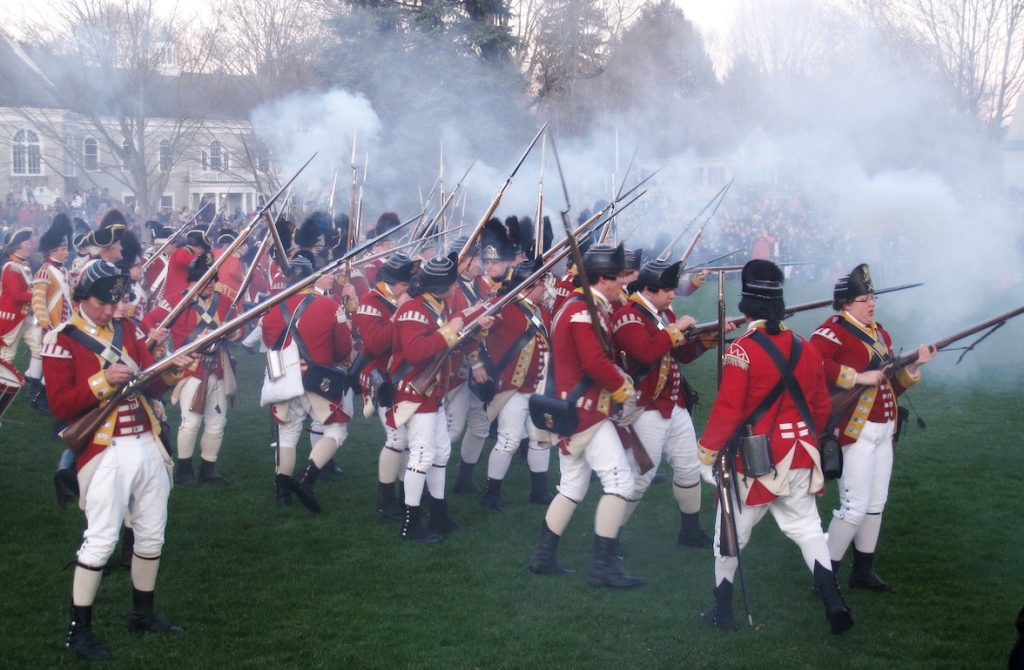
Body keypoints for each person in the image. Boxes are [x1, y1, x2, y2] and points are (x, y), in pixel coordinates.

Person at [42, 261, 192, 660]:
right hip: (104, 450)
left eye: (115, 303)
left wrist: (172, 373)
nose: (111, 311)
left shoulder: (128, 330)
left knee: (151, 532)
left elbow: (150, 387)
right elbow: (59, 405)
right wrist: (102, 381)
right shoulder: (61, 339)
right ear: (82, 299)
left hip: (146, 441)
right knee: (102, 539)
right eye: (102, 304)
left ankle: (142, 614)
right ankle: (79, 630)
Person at [695, 259, 853, 635]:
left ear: (747, 306)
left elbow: (729, 410)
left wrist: (707, 452)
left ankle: (723, 612)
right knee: (808, 529)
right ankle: (834, 603)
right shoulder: (804, 346)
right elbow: (819, 407)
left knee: (729, 535)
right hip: (802, 452)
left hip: (758, 459)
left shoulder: (742, 351)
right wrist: (803, 437)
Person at [809, 263, 935, 592]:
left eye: (872, 297)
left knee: (875, 505)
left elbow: (890, 385)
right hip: (854, 430)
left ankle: (861, 572)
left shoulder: (880, 333)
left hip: (884, 427)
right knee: (853, 508)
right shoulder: (832, 331)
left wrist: (914, 366)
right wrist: (857, 376)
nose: (872, 303)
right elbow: (813, 365)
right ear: (846, 303)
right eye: (865, 299)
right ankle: (825, 578)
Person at [526, 243, 644, 588]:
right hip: (585, 412)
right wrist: (624, 392)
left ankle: (543, 557)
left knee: (572, 486)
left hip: (572, 410)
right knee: (621, 482)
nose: (623, 283)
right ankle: (603, 568)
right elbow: (593, 363)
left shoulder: (582, 306)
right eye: (619, 277)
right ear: (605, 279)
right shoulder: (583, 311)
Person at [611, 258, 723, 548]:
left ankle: (690, 531)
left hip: (674, 403)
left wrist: (707, 340)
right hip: (646, 407)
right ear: (648, 289)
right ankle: (608, 539)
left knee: (688, 467)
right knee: (639, 477)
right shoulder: (628, 315)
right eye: (667, 289)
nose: (673, 294)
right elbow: (646, 352)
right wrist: (678, 328)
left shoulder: (661, 312)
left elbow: (679, 355)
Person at [388, 253, 485, 541]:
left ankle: (439, 515)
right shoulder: (415, 311)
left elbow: (447, 342)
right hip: (416, 393)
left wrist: (473, 331)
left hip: (433, 392)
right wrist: (451, 330)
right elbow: (417, 352)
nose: (456, 290)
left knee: (441, 452)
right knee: (422, 454)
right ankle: (411, 522)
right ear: (440, 287)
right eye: (452, 285)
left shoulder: (435, 308)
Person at [261, 250, 353, 513]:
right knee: (336, 432)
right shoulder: (329, 305)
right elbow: (344, 347)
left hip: (283, 379)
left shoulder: (270, 307)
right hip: (318, 378)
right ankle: (306, 479)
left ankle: (282, 493)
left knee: (287, 435)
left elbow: (269, 341)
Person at [143, 252, 237, 486]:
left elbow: (239, 327)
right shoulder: (176, 301)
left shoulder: (223, 301)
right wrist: (154, 336)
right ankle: (184, 470)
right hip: (190, 369)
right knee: (191, 422)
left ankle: (209, 467)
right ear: (192, 282)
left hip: (219, 366)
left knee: (217, 421)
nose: (210, 284)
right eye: (205, 280)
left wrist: (236, 332)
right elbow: (148, 322)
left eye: (213, 280)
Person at [478, 257, 554, 512]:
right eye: (542, 283)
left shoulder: (539, 310)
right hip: (513, 389)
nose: (546, 288)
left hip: (538, 389)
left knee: (540, 438)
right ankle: (491, 494)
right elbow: (476, 330)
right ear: (529, 285)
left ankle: (539, 491)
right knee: (509, 440)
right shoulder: (506, 306)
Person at [353, 252, 418, 520]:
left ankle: (405, 496)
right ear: (392, 282)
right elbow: (377, 343)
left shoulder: (402, 299)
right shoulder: (369, 302)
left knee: (408, 441)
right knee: (397, 438)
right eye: (405, 283)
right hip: (379, 377)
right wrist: (402, 313)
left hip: (401, 376)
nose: (408, 288)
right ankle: (385, 500)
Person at [0, 227, 45, 412]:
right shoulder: (11, 267)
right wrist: (39, 295)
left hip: (25, 317)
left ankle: (32, 383)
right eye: (26, 244)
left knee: (40, 348)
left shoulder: (21, 266)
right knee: (6, 356)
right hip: (12, 318)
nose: (29, 246)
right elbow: (18, 295)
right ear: (17, 247)